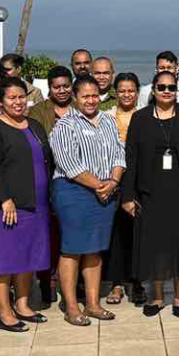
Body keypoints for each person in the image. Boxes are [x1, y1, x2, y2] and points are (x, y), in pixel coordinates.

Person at [123, 71, 179, 318]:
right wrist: (128, 195)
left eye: (171, 87)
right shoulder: (140, 118)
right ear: (153, 90)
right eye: (161, 87)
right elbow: (131, 158)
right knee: (156, 246)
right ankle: (158, 296)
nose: (166, 91)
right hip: (150, 191)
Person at [0, 80, 52, 333]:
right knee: (3, 261)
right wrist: (4, 199)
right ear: (0, 101)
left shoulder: (35, 126)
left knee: (26, 257)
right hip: (3, 208)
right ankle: (4, 312)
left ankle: (23, 305)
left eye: (21, 97)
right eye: (11, 98)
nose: (18, 102)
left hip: (35, 204)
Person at [48, 76, 125, 326]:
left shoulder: (108, 121)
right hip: (74, 192)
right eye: (85, 96)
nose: (91, 100)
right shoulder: (64, 125)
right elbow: (68, 163)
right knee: (72, 249)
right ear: (75, 97)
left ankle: (93, 304)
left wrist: (113, 182)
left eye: (94, 96)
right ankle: (71, 307)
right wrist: (99, 185)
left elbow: (119, 153)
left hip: (106, 192)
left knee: (94, 248)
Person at [103, 73, 142, 306]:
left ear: (137, 92)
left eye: (131, 90)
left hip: (140, 181)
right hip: (113, 180)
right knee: (116, 234)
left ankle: (137, 282)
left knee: (139, 234)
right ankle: (116, 284)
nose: (127, 95)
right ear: (115, 93)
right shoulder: (106, 117)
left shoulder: (146, 115)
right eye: (122, 91)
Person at [27, 66, 74, 137]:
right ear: (49, 87)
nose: (62, 91)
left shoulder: (81, 108)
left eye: (66, 86)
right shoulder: (38, 110)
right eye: (56, 87)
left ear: (72, 85)